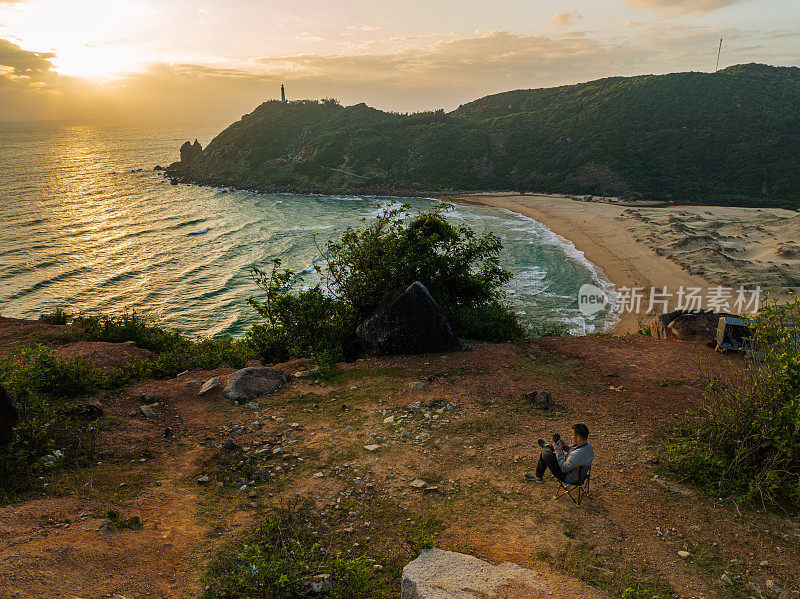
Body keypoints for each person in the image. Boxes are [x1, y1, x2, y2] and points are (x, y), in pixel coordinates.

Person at [526, 423, 593, 485]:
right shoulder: (588, 446)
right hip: (580, 473)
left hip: (569, 477)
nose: (572, 437)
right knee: (547, 452)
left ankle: (548, 446)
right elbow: (573, 452)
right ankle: (549, 446)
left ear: (578, 438)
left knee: (546, 454)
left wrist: (558, 450)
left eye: (573, 435)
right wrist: (564, 446)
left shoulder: (577, 455)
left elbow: (563, 468)